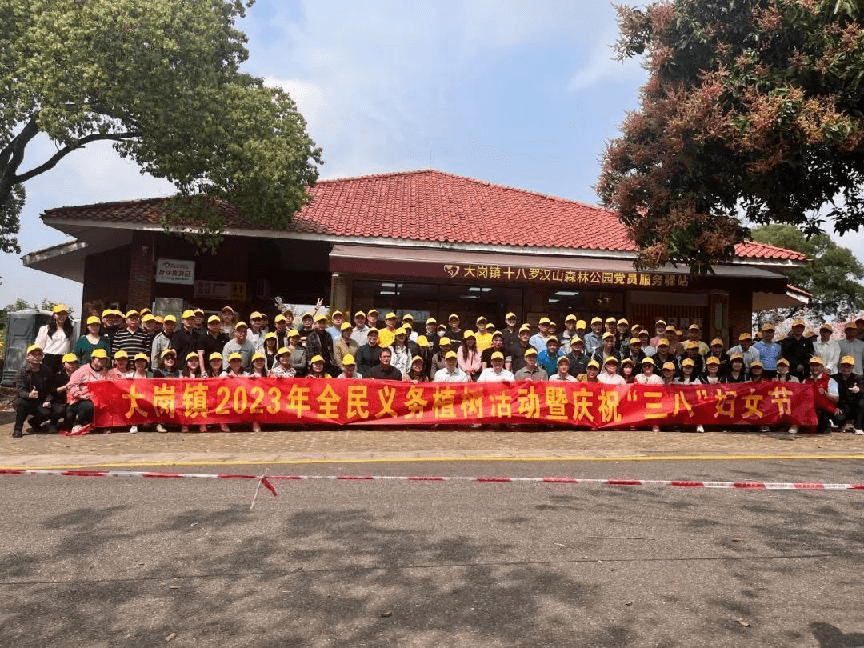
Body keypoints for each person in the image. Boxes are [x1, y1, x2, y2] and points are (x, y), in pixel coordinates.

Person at [66, 348, 110, 435]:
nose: (102, 361)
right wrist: (81, 395)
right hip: (81, 400)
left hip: (99, 400)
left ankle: (101, 426)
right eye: (99, 358)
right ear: (93, 359)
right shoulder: (82, 370)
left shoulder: (105, 371)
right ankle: (77, 424)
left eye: (104, 359)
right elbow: (71, 386)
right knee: (88, 406)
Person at [12, 345, 53, 438]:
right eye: (34, 355)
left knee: (51, 411)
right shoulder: (22, 372)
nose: (37, 357)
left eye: (39, 354)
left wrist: (48, 400)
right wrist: (29, 395)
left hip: (40, 401)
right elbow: (20, 390)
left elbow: (50, 389)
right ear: (28, 357)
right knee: (21, 404)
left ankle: (34, 423)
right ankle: (18, 429)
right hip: (25, 400)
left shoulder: (47, 371)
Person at [34, 304, 74, 375]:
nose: (61, 316)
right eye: (59, 314)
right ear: (54, 315)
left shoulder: (71, 330)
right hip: (48, 358)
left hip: (63, 359)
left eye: (63, 314)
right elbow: (39, 345)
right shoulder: (45, 329)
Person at [803, 356, 839, 434]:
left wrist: (826, 394)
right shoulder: (806, 380)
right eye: (812, 365)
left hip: (825, 410)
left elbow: (836, 398)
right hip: (810, 409)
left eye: (817, 365)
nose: (814, 368)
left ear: (822, 367)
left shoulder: (830, 380)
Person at [46, 352, 79, 433]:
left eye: (74, 362)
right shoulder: (57, 376)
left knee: (71, 414)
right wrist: (63, 388)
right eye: (69, 363)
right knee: (59, 410)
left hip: (75, 401)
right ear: (64, 364)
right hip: (59, 401)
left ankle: (68, 424)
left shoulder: (80, 375)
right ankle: (53, 423)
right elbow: (51, 390)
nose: (72, 365)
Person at [833, 355, 864, 435]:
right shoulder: (834, 378)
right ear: (840, 366)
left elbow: (862, 389)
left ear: (852, 367)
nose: (846, 369)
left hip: (854, 408)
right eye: (844, 366)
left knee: (862, 402)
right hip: (841, 408)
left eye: (848, 366)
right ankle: (841, 424)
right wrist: (835, 406)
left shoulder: (858, 378)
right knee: (838, 417)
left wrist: (859, 390)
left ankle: (858, 427)